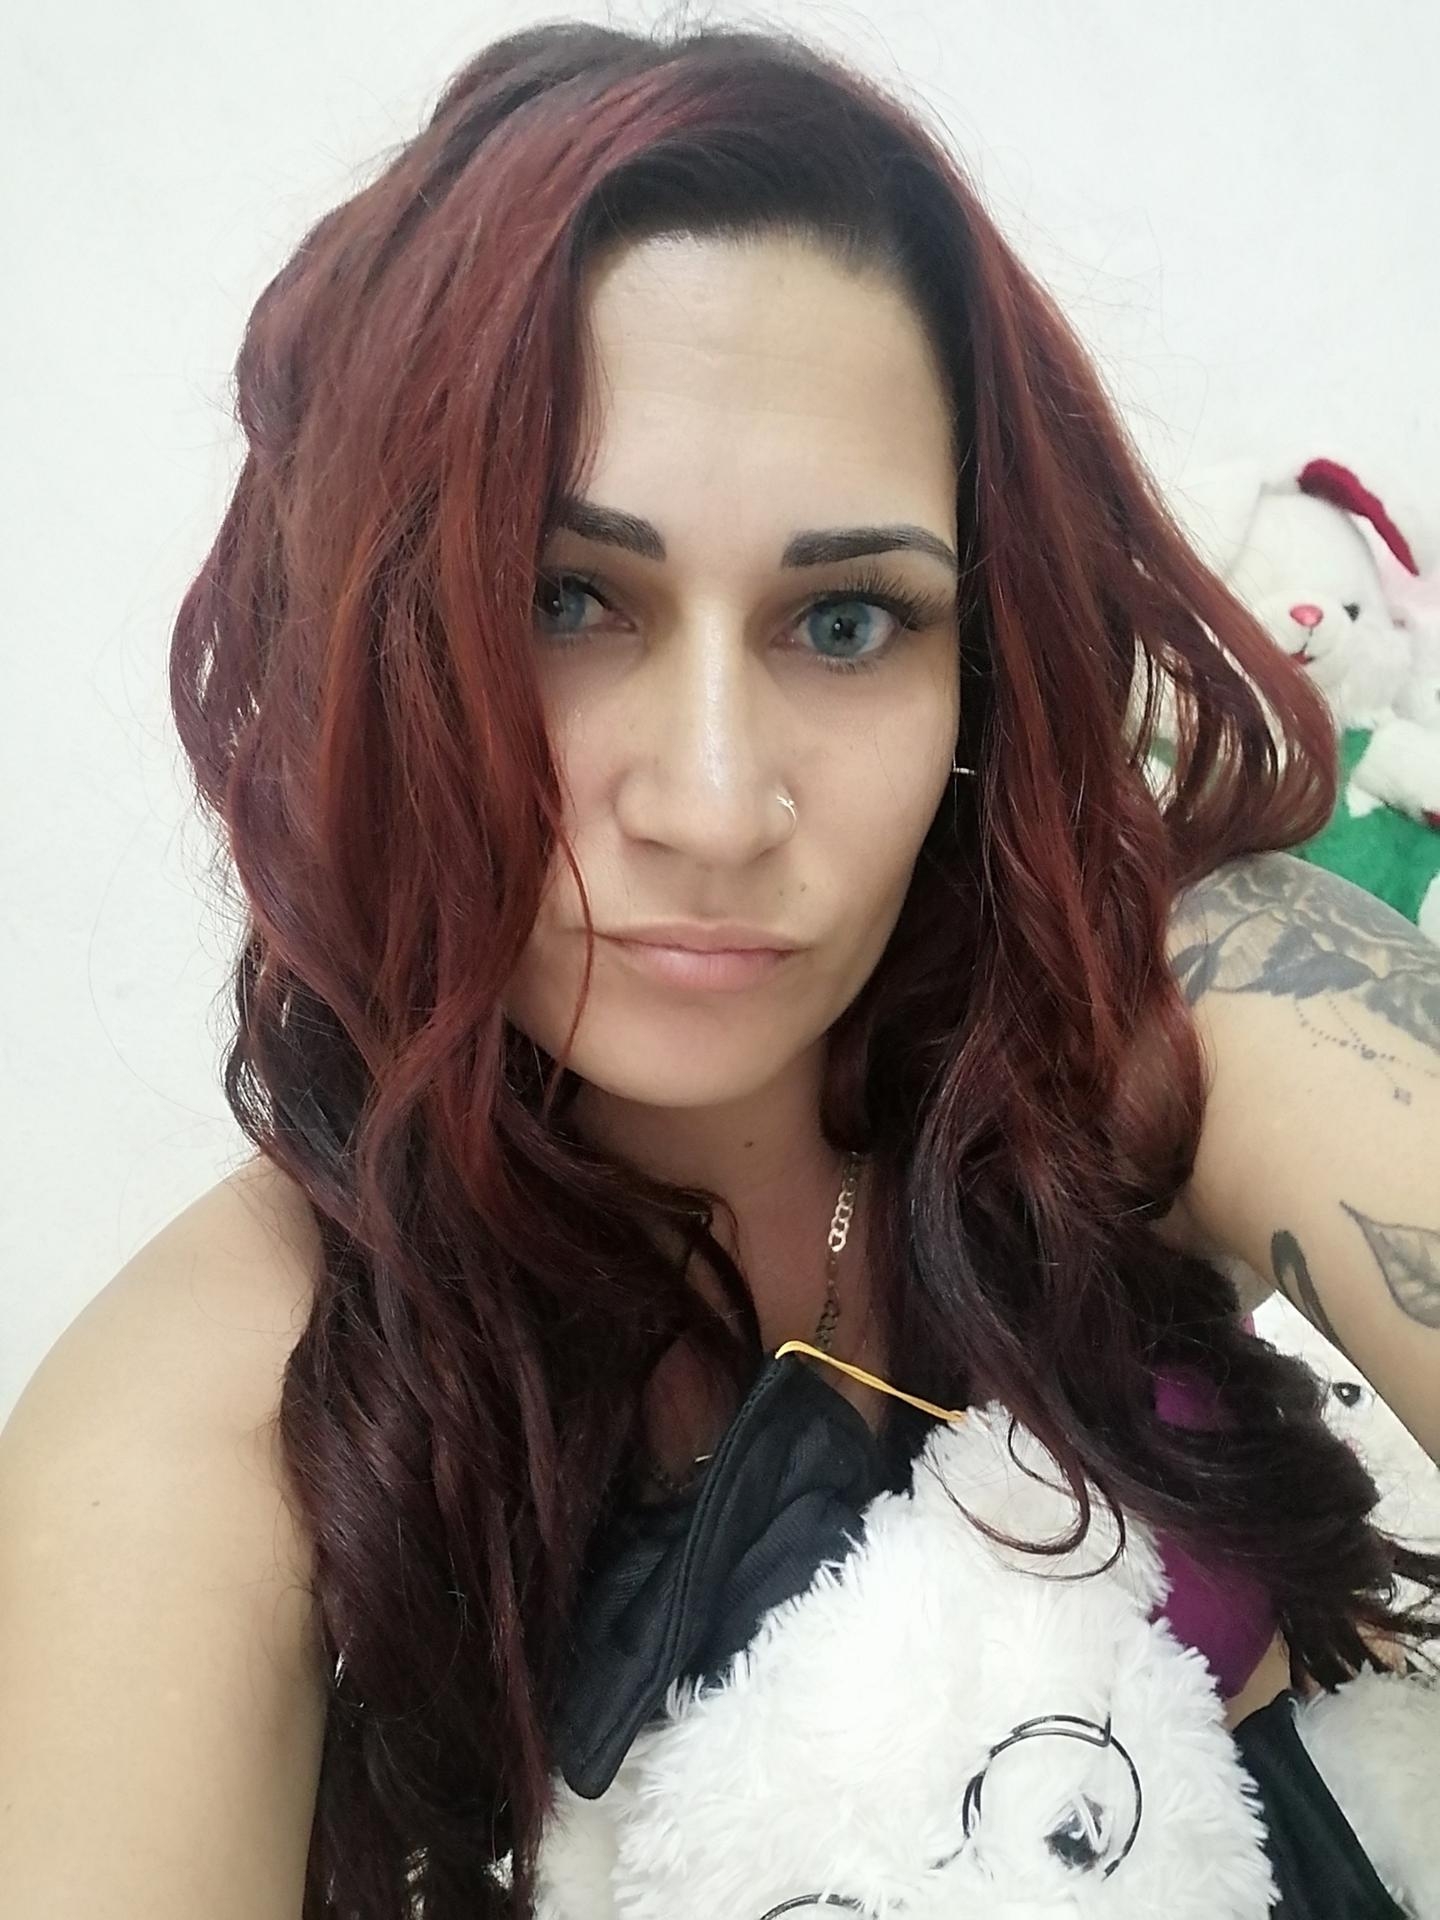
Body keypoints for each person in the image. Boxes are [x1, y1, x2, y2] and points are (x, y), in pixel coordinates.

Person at [2, 19, 1437, 1920]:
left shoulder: (1186, 1008)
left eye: (846, 620)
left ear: (976, 661)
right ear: (364, 632)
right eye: (563, 597)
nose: (711, 803)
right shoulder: (210, 1417)